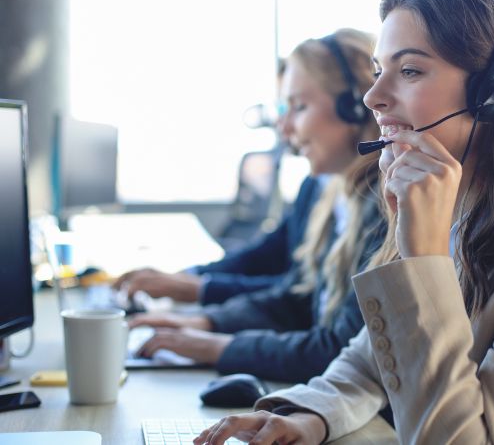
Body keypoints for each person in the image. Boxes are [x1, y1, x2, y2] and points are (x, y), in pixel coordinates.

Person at [193, 0, 494, 444]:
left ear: (492, 93)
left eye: (409, 71)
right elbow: (373, 357)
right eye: (378, 71)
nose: (374, 97)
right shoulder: (456, 209)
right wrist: (308, 417)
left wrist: (423, 261)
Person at [128, 28, 387, 382]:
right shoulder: (328, 194)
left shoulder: (387, 208)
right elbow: (298, 296)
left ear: (354, 107)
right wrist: (207, 323)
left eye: (299, 106)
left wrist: (213, 345)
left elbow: (338, 348)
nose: (283, 126)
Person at [113, 59, 320, 307]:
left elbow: (301, 295)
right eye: (282, 108)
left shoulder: (361, 199)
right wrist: (185, 277)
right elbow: (263, 257)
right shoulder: (314, 185)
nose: (282, 125)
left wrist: (198, 292)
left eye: (298, 107)